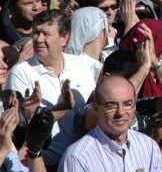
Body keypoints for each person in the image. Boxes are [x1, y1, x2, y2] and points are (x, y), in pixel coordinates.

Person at [6, 10, 97, 169]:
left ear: (64, 38)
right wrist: (54, 111)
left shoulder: (81, 65)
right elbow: (17, 131)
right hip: (47, 165)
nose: (39, 39)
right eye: (36, 33)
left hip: (87, 160)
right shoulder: (21, 72)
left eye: (46, 34)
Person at [58, 75, 162, 172]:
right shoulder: (77, 157)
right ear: (96, 109)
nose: (121, 112)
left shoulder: (148, 146)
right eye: (111, 105)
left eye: (128, 104)